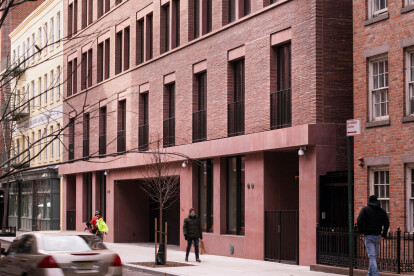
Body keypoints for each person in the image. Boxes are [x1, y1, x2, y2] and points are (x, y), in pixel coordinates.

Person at [357, 195, 390, 276]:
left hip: (368, 236)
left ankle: (375, 274)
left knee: (372, 257)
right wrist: (383, 235)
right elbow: (387, 223)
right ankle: (369, 274)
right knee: (373, 257)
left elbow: (359, 220)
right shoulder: (382, 211)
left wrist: (361, 231)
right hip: (378, 236)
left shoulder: (365, 209)